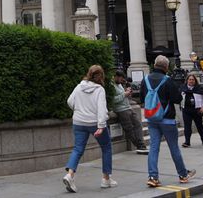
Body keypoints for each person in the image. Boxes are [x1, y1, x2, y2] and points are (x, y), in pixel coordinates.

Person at [139, 55, 196, 188]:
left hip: (152, 119)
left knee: (153, 148)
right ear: (166, 67)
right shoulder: (167, 80)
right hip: (167, 119)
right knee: (174, 147)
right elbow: (176, 99)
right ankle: (182, 175)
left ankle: (153, 177)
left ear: (154, 64)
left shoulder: (145, 79)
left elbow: (142, 97)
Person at [62, 65, 116, 193]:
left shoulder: (79, 86)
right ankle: (106, 179)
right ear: (101, 76)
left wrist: (79, 109)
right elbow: (102, 109)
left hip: (79, 122)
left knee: (78, 149)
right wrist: (101, 126)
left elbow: (70, 101)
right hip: (94, 123)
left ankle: (69, 175)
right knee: (106, 147)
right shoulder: (99, 90)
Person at [111, 71, 147, 154]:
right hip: (121, 110)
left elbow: (124, 96)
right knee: (129, 128)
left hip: (128, 108)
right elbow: (113, 100)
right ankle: (139, 145)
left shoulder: (119, 85)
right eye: (120, 78)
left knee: (138, 124)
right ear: (115, 76)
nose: (121, 80)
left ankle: (141, 144)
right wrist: (124, 94)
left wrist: (127, 93)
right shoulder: (112, 86)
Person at [180, 73, 203, 147]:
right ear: (187, 80)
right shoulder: (183, 88)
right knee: (187, 126)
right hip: (186, 110)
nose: (191, 81)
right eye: (189, 79)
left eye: (192, 79)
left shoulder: (199, 88)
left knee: (199, 126)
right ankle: (187, 142)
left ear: (195, 81)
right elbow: (179, 97)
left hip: (197, 110)